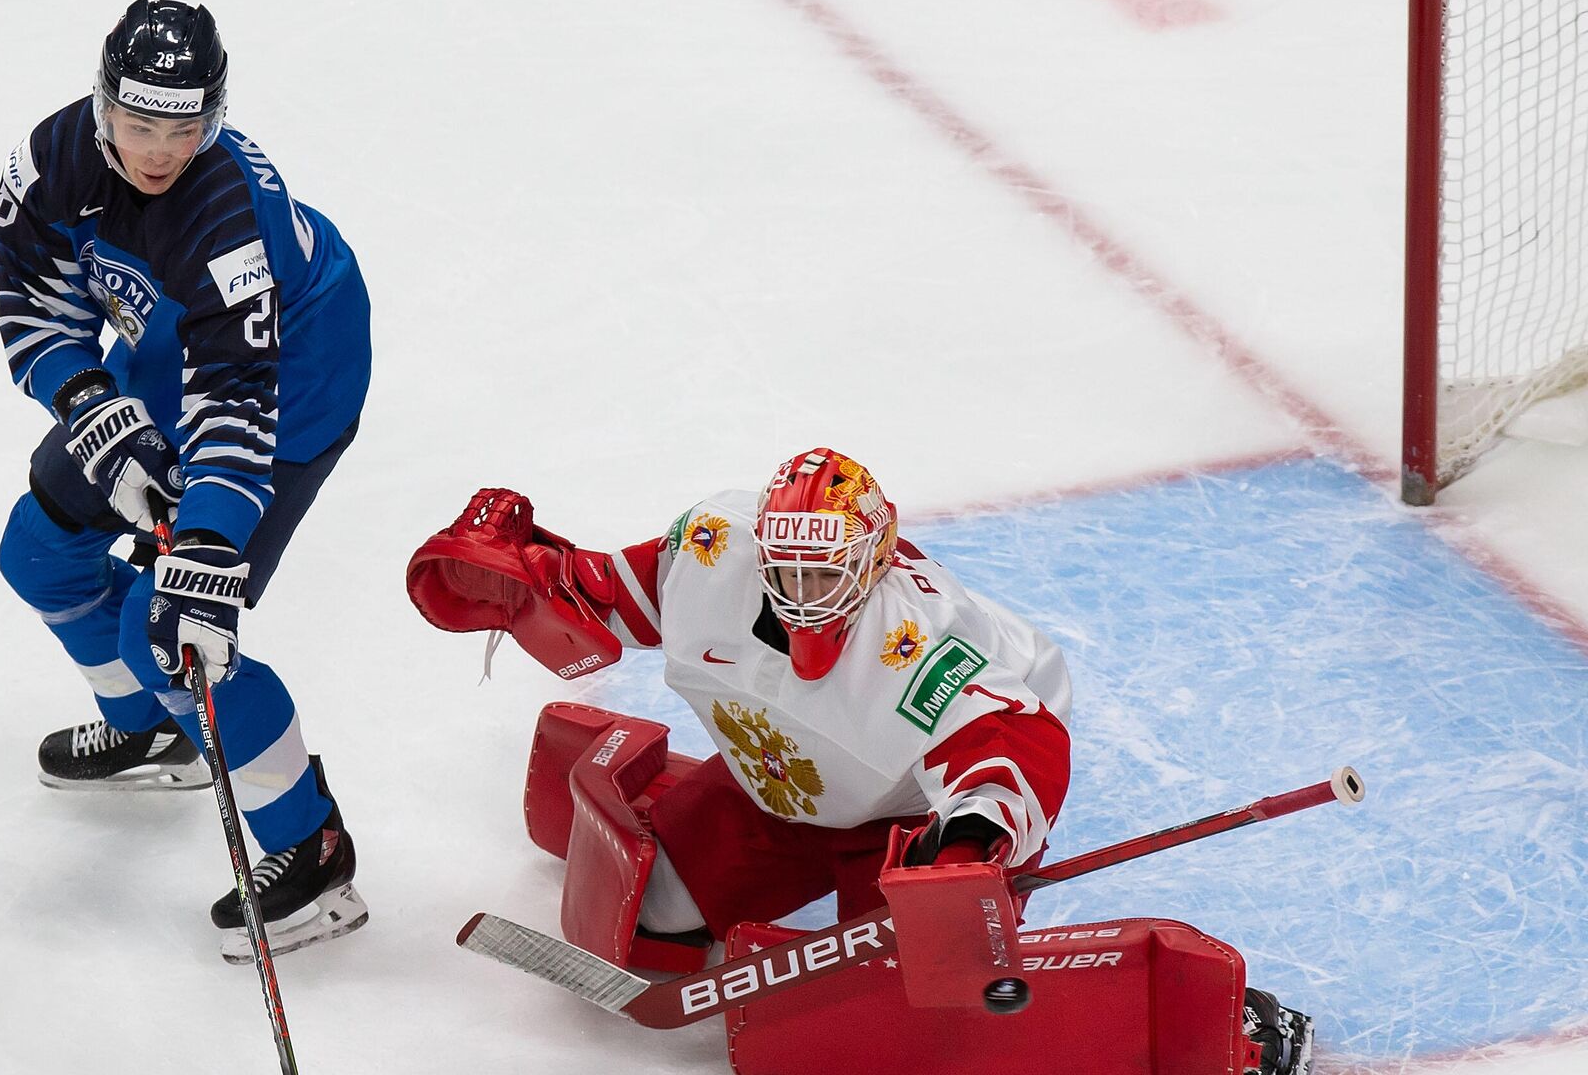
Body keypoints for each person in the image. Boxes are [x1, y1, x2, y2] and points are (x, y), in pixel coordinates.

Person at [406, 448, 1312, 1074]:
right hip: (785, 783)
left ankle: (1227, 1026)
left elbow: (1011, 744)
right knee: (651, 920)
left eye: (822, 575)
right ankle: (700, 804)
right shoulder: (716, 549)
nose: (799, 595)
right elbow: (621, 594)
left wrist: (965, 841)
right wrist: (530, 573)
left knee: (902, 1020)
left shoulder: (916, 643)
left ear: (873, 561)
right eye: (785, 569)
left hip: (911, 813)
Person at [0, 0, 370, 961]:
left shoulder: (224, 214)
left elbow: (240, 406)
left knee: (169, 635)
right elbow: (34, 312)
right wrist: (92, 409)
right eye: (140, 124)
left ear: (214, 116)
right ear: (103, 103)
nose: (161, 150)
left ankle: (312, 848)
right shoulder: (48, 163)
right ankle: (157, 736)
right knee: (37, 553)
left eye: (185, 127)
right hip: (173, 341)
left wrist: (203, 550)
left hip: (294, 373)